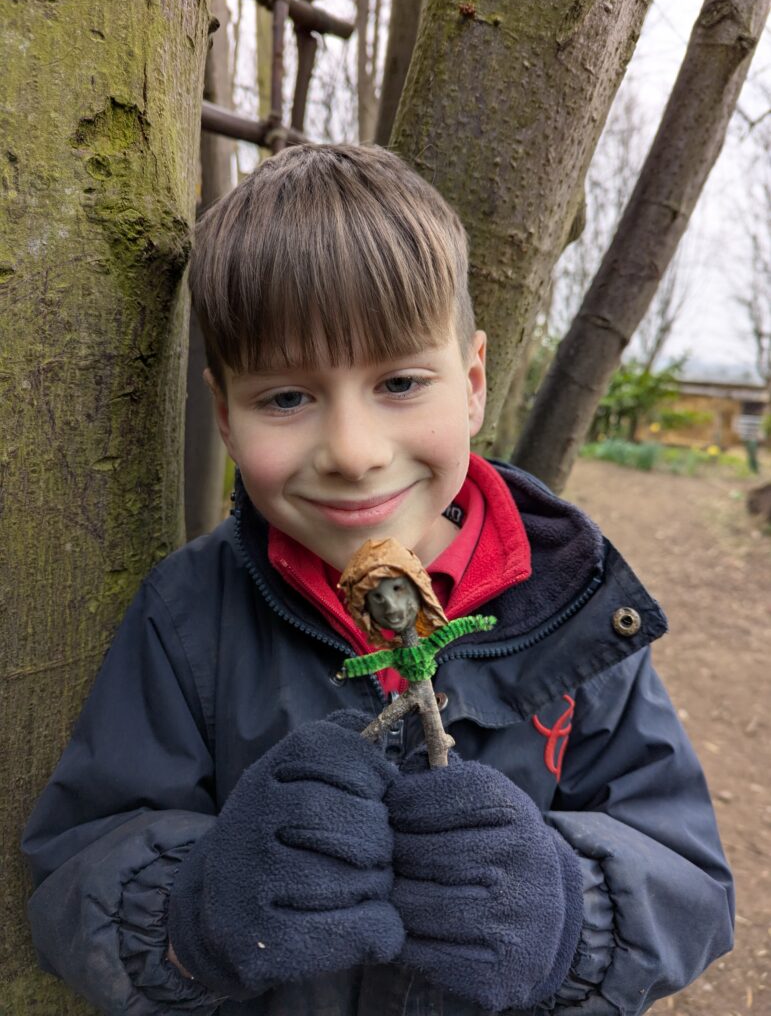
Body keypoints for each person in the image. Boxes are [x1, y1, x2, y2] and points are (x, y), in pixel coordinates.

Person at [22, 145, 734, 1016]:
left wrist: (564, 918)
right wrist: (196, 910)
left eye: (399, 381)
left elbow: (689, 882)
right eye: (286, 398)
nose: (353, 452)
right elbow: (76, 865)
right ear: (225, 413)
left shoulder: (575, 605)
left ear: (471, 385)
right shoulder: (187, 614)